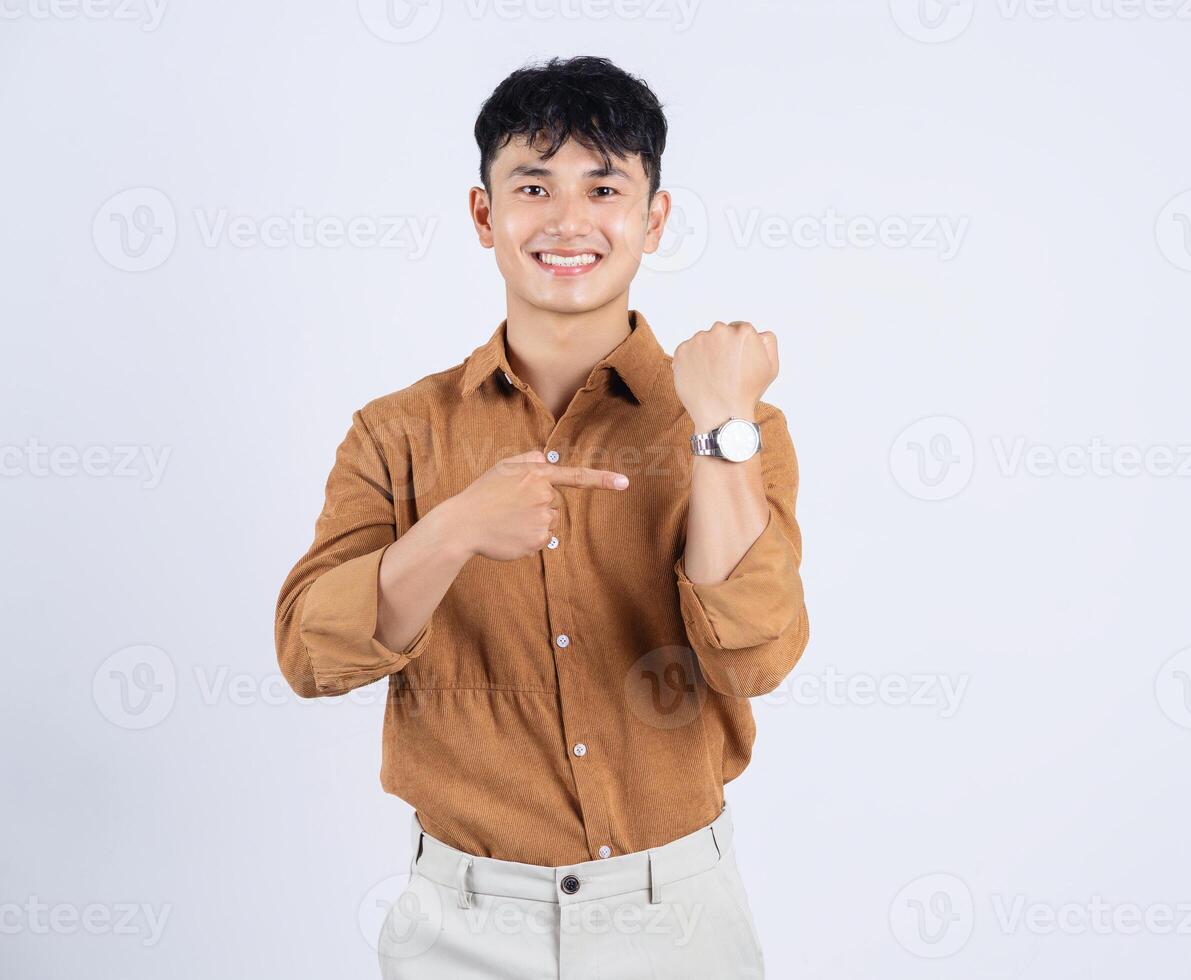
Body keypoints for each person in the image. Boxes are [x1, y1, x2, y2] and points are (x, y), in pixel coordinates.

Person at [273, 55, 809, 979]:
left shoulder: (734, 423)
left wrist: (721, 425)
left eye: (604, 186)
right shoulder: (396, 432)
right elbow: (311, 658)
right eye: (533, 185)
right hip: (460, 925)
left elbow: (754, 655)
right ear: (486, 215)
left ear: (654, 217)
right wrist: (449, 531)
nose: (567, 222)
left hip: (676, 919)